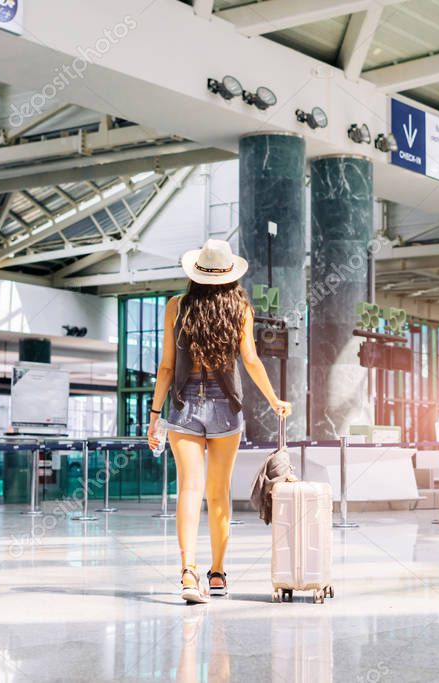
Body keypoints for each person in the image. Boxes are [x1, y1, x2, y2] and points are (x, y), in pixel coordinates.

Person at [147, 239, 291, 604]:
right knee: (218, 493)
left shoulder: (176, 307)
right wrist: (274, 400)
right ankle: (217, 574)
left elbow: (166, 367)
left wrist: (153, 417)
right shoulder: (239, 307)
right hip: (226, 408)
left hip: (182, 409)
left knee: (189, 491)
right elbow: (252, 361)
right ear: (229, 274)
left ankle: (187, 573)